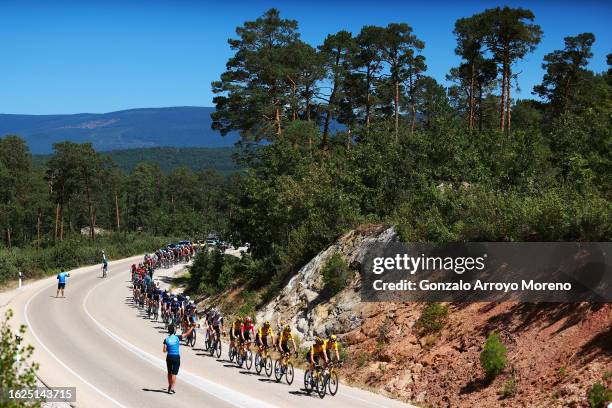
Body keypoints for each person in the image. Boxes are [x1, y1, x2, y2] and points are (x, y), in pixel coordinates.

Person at [163, 323, 195, 394]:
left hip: (169, 357)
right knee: (174, 374)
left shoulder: (166, 339)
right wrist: (192, 327)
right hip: (176, 357)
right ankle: (172, 388)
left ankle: (169, 385)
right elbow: (186, 334)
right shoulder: (177, 337)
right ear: (174, 331)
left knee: (169, 372)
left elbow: (164, 350)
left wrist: (169, 348)